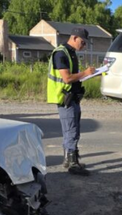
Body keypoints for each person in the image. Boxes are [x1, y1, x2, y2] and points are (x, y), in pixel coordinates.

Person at [47, 27, 96, 176]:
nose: (83, 46)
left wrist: (86, 75)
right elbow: (67, 78)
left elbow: (74, 77)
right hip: (65, 98)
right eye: (82, 42)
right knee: (71, 131)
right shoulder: (61, 53)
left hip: (72, 97)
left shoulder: (70, 53)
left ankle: (69, 160)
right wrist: (85, 73)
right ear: (74, 38)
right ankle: (73, 164)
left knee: (72, 130)